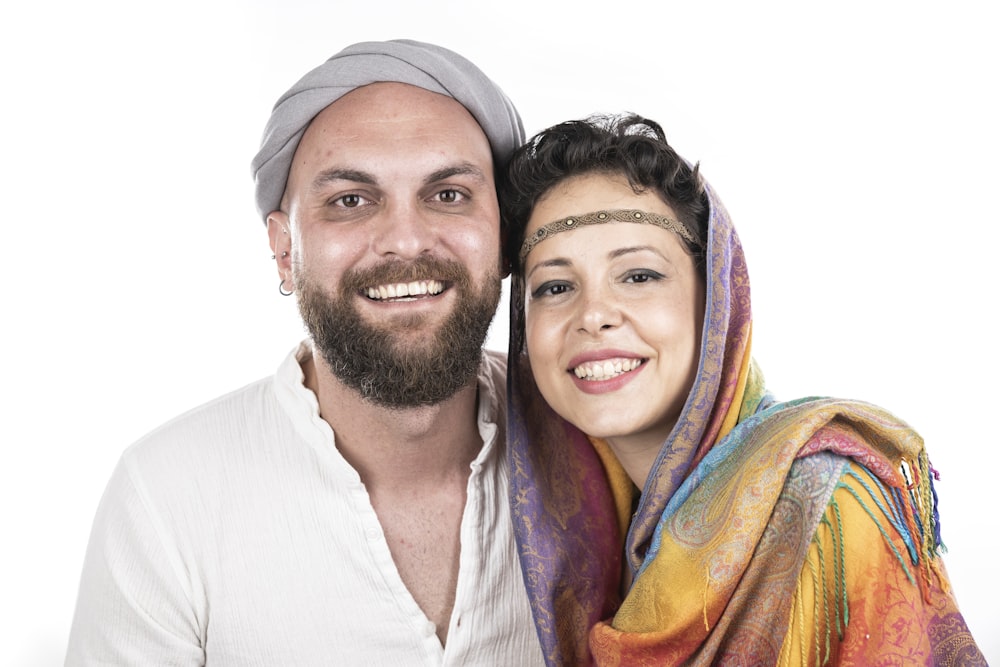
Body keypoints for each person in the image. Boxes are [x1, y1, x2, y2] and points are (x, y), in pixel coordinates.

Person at [65, 39, 546, 665]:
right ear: (285, 250)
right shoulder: (166, 498)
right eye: (351, 200)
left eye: (448, 194)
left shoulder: (602, 450)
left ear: (506, 236)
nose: (404, 240)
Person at [501, 114, 986, 666]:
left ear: (717, 302)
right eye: (555, 286)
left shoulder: (822, 511)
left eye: (638, 276)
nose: (592, 315)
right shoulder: (571, 534)